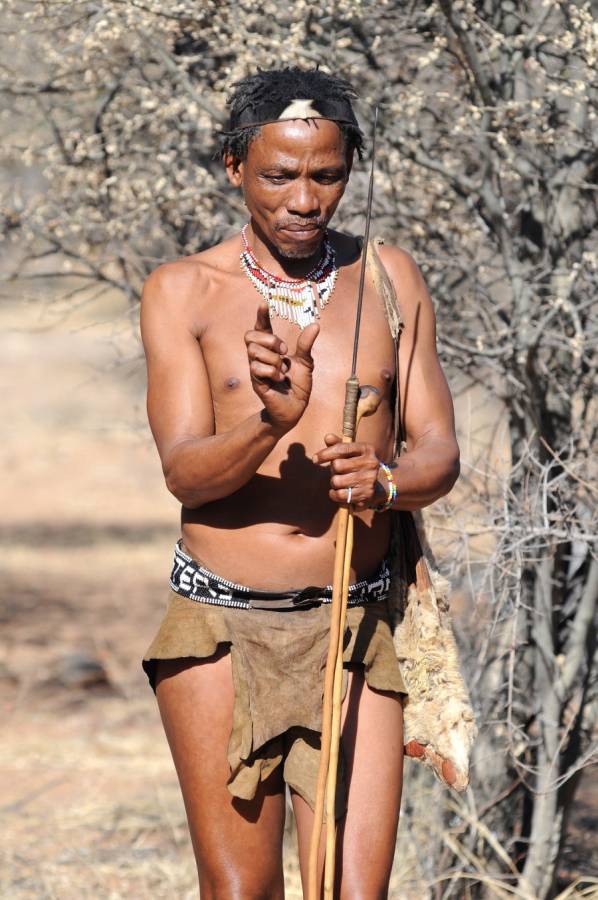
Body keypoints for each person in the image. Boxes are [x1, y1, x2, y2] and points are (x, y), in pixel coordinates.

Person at [140, 66, 459, 899]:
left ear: (351, 169)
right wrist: (269, 425)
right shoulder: (184, 292)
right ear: (233, 165)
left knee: (353, 892)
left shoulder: (390, 279)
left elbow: (438, 454)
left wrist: (386, 483)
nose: (304, 200)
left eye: (326, 176)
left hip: (355, 629)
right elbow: (186, 473)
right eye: (279, 175)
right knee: (242, 891)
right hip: (220, 629)